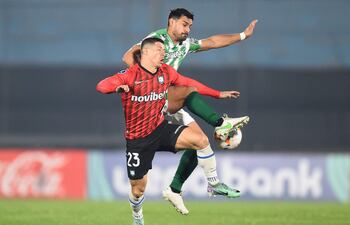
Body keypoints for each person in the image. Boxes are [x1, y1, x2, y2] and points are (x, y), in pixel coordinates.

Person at [97, 38, 248, 225]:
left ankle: (214, 184)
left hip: (160, 129)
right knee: (138, 190)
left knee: (200, 140)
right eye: (160, 50)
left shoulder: (165, 72)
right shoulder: (130, 75)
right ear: (146, 52)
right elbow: (102, 85)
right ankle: (137, 216)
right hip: (138, 140)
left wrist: (217, 94)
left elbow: (189, 83)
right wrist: (116, 87)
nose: (164, 54)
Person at [122, 8, 257, 214]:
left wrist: (242, 35)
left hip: (168, 98)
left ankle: (178, 188)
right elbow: (127, 57)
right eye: (184, 24)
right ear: (171, 22)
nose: (187, 29)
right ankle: (221, 123)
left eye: (190, 26)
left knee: (201, 143)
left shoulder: (185, 44)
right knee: (187, 92)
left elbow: (211, 42)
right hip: (153, 98)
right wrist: (143, 81)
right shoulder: (157, 40)